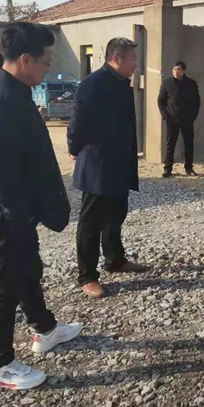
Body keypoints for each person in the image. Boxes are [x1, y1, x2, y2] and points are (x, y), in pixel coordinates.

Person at [0, 22, 83, 390]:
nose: (49, 69)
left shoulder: (13, 93)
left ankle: (45, 330)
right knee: (4, 288)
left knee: (28, 270)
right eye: (47, 62)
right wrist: (19, 217)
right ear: (26, 60)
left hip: (14, 212)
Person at [68, 37, 150, 299]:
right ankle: (87, 276)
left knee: (116, 215)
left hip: (119, 162)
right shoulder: (93, 85)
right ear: (116, 59)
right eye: (133, 59)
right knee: (91, 222)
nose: (136, 64)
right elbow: (78, 122)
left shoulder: (121, 84)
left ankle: (115, 259)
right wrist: (74, 147)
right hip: (98, 164)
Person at [158, 61, 201, 177]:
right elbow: (161, 101)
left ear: (184, 71)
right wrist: (166, 115)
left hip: (187, 119)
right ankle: (168, 168)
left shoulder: (191, 83)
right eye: (174, 69)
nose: (176, 72)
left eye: (179, 69)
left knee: (188, 144)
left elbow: (197, 101)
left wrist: (193, 115)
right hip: (172, 119)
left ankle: (189, 168)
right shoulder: (167, 83)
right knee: (170, 144)